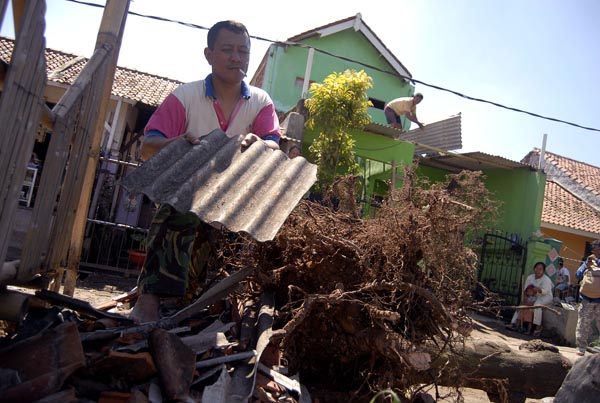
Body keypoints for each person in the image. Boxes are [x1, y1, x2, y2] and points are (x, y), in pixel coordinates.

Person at [129, 20, 281, 323]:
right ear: (209, 54)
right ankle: (148, 299)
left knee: (220, 261)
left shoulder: (261, 102)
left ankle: (205, 305)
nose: (236, 57)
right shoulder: (185, 97)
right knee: (177, 207)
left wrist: (261, 144)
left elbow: (274, 144)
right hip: (186, 197)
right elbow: (148, 146)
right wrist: (177, 143)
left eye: (243, 51)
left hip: (232, 202)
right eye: (227, 50)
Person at [506, 261, 554, 337]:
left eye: (540, 269)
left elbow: (545, 292)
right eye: (537, 268)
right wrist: (524, 298)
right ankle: (513, 323)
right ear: (534, 269)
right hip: (532, 295)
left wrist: (537, 289)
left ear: (543, 271)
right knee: (522, 305)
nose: (538, 270)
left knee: (536, 306)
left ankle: (538, 327)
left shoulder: (546, 280)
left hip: (545, 296)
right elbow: (525, 290)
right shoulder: (530, 277)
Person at [574, 239, 600, 356]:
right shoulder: (587, 262)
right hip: (586, 298)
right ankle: (581, 347)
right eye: (594, 250)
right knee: (583, 323)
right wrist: (586, 265)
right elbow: (578, 275)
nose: (596, 252)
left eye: (598, 250)